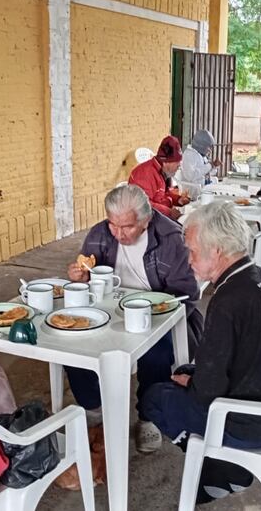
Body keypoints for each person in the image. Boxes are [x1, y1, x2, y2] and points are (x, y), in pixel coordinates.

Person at [140, 201, 261, 505]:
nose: (188, 260)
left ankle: (219, 464)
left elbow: (208, 390)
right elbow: (248, 352)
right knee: (185, 374)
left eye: (192, 251)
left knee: (155, 397)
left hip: (247, 423)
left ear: (217, 252)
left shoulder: (227, 299)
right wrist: (196, 376)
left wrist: (193, 383)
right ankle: (220, 462)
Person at [64, 184, 203, 454]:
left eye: (126, 226)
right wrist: (80, 279)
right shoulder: (99, 234)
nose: (118, 233)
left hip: (157, 315)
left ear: (146, 219)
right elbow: (87, 279)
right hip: (108, 311)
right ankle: (94, 411)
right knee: (73, 341)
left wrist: (154, 313)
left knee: (157, 352)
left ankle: (147, 416)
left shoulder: (170, 238)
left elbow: (186, 294)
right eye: (112, 224)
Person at [129, 135, 190, 221]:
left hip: (159, 217)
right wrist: (169, 212)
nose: (179, 166)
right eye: (177, 162)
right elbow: (143, 205)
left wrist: (179, 200)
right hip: (144, 223)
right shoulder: (144, 174)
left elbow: (163, 195)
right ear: (166, 162)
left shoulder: (163, 172)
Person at [178, 130, 222, 199]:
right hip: (192, 191)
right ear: (201, 145)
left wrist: (214, 166)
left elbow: (210, 173)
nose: (210, 150)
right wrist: (210, 165)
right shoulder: (189, 154)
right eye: (209, 147)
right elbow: (191, 176)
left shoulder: (200, 155)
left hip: (202, 187)